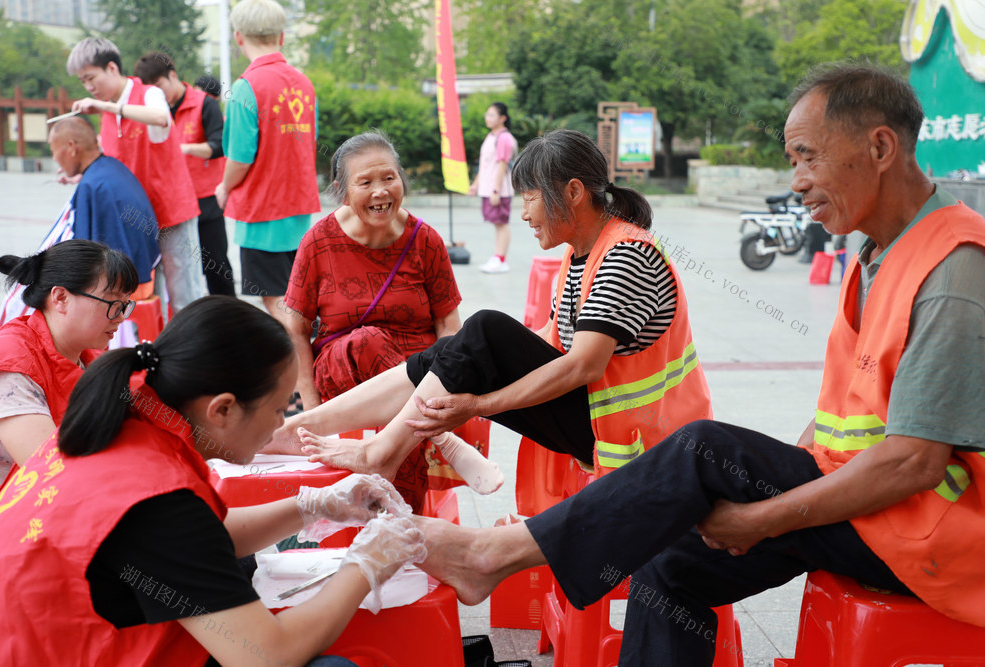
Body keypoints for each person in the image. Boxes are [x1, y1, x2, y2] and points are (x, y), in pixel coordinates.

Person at [411, 64, 985, 666]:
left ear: (880, 146)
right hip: (867, 507)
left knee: (702, 448)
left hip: (931, 532)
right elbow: (842, 414)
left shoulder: (950, 267)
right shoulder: (876, 254)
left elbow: (913, 464)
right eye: (792, 161)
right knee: (670, 562)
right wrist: (765, 484)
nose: (797, 181)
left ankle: (493, 555)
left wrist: (763, 515)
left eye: (807, 157)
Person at [0, 296, 426, 666]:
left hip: (37, 638)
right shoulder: (157, 497)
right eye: (278, 410)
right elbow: (268, 656)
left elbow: (199, 540)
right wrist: (365, 566)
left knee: (242, 571)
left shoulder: (131, 417)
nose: (280, 425)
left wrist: (315, 503)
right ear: (223, 409)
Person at [277, 129, 712, 490]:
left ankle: (379, 450)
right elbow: (547, 340)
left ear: (573, 193)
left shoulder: (625, 255)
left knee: (481, 331)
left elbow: (583, 366)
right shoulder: (581, 252)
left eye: (529, 199)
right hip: (600, 422)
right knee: (470, 342)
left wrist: (480, 404)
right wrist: (458, 369)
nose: (522, 214)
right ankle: (301, 430)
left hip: (642, 437)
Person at [274, 131, 473, 507]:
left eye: (389, 178)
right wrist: (315, 415)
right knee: (368, 343)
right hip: (343, 370)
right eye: (365, 182)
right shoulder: (319, 242)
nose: (381, 192)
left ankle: (402, 521)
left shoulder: (425, 240)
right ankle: (434, 437)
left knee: (410, 408)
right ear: (343, 191)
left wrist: (448, 389)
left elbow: (450, 327)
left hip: (413, 377)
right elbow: (296, 331)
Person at [0, 240, 139, 511]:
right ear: (60, 298)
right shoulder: (11, 362)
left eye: (126, 305)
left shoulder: (89, 358)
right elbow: (51, 469)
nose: (120, 317)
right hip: (5, 517)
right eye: (113, 303)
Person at [67, 37, 207, 316]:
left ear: (111, 68)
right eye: (83, 82)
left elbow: (160, 119)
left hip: (171, 210)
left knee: (184, 293)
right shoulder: (106, 112)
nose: (89, 87)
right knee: (143, 294)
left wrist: (108, 107)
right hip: (135, 218)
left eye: (91, 77)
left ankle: (196, 355)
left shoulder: (147, 94)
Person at [0, 119, 159, 331]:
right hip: (146, 273)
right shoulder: (111, 168)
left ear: (72, 147)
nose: (55, 159)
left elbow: (82, 256)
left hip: (128, 287)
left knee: (22, 300)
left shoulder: (92, 186)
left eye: (54, 151)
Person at [215, 0, 322, 321]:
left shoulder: (245, 88)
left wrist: (223, 187)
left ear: (238, 37)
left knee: (276, 298)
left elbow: (240, 156)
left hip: (263, 209)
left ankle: (307, 366)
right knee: (296, 292)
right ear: (282, 36)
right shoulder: (304, 84)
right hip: (298, 207)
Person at [136, 51, 236, 296]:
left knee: (216, 267)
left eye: (159, 86)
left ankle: (228, 322)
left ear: (173, 75)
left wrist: (184, 148)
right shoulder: (152, 109)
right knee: (174, 270)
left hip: (205, 201)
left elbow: (218, 146)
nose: (156, 95)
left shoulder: (204, 104)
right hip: (170, 202)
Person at [470, 102, 518, 274]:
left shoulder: (504, 138)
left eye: (492, 115)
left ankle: (500, 259)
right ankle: (497, 257)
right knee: (496, 223)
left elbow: (502, 165)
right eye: (487, 114)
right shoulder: (490, 136)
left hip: (499, 190)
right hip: (488, 188)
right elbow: (485, 166)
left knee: (501, 223)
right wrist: (475, 185)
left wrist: (496, 190)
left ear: (502, 118)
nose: (487, 118)